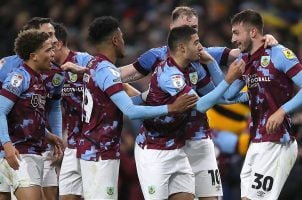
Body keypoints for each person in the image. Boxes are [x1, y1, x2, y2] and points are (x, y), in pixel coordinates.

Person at [76, 16, 198, 200]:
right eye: (122, 37)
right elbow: (130, 112)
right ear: (115, 40)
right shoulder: (107, 71)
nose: (124, 42)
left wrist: (145, 97)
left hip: (95, 148)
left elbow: (117, 105)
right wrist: (170, 108)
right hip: (99, 150)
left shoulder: (94, 65)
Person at [134, 25, 245, 200]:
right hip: (153, 148)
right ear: (182, 48)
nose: (201, 46)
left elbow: (216, 97)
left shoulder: (193, 68)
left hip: (177, 146)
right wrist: (229, 78)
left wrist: (248, 94)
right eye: (196, 42)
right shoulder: (170, 74)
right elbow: (201, 105)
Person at [226, 9, 302, 200]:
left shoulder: (280, 54)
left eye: (236, 32)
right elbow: (228, 95)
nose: (233, 38)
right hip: (257, 139)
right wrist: (231, 76)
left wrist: (281, 111)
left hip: (278, 139)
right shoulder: (245, 61)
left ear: (252, 32)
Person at [0, 17, 64, 200]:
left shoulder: (40, 79)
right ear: (34, 55)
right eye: (47, 50)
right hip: (18, 153)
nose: (53, 53)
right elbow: (0, 110)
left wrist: (49, 135)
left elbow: (26, 116)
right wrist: (7, 146)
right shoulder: (18, 77)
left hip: (33, 150)